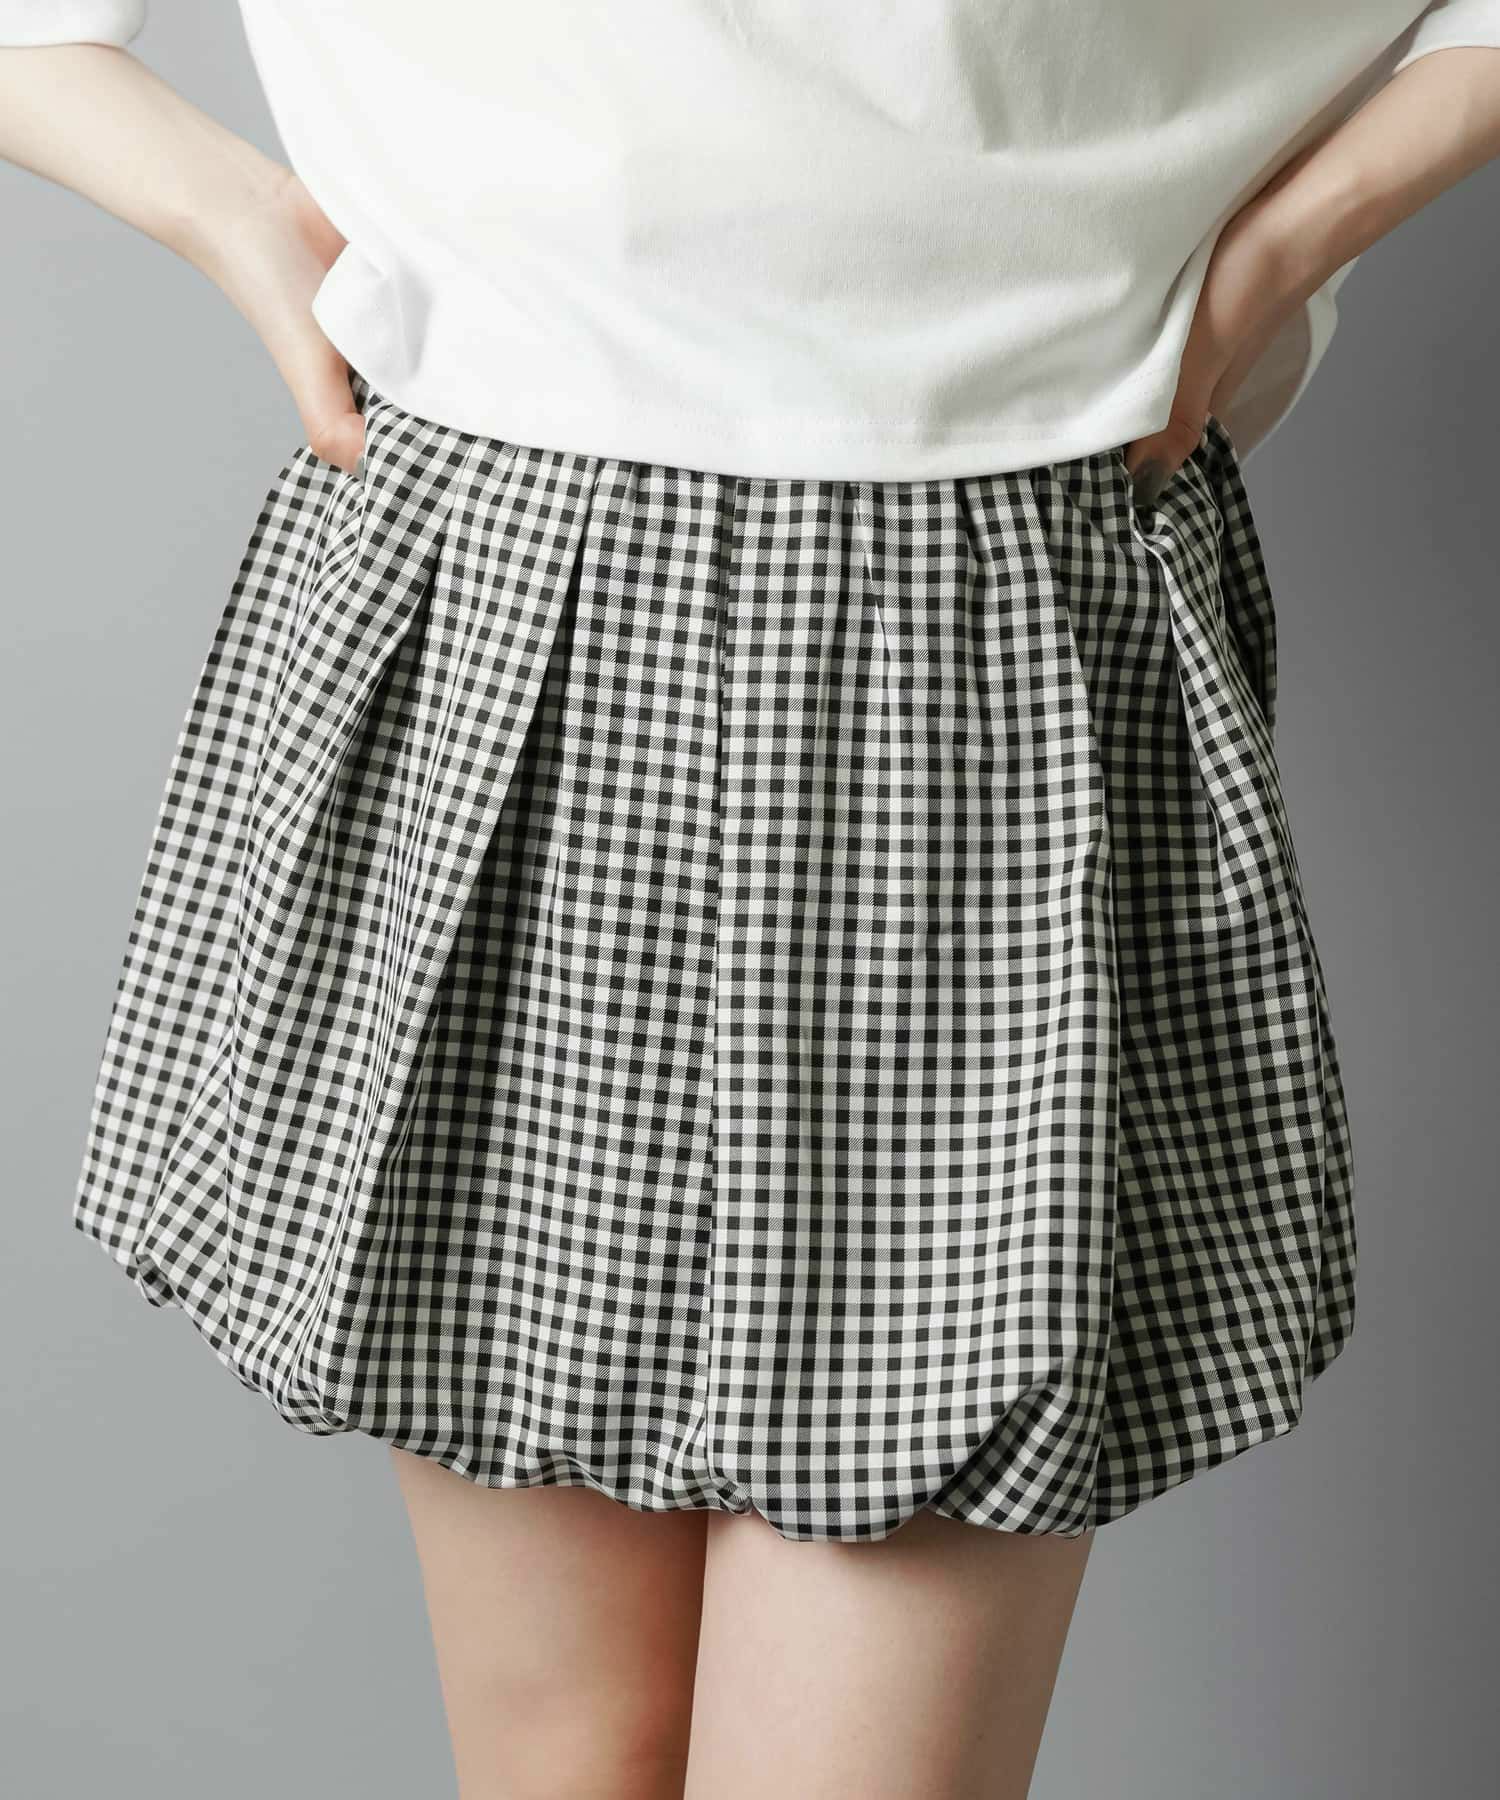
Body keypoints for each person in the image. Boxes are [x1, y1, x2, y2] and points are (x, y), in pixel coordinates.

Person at [5, 5, 1499, 1797]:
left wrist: (1284, 245)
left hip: (980, 618)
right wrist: (247, 219)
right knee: (564, 1756)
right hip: (499, 598)